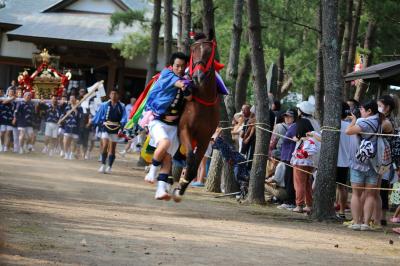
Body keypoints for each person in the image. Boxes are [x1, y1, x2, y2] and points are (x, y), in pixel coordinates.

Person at [144, 52, 192, 200]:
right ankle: (151, 171)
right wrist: (188, 83)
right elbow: (181, 85)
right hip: (157, 120)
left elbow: (189, 96)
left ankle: (160, 190)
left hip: (173, 125)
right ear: (172, 66)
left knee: (168, 159)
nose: (180, 69)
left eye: (183, 67)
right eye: (177, 66)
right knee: (165, 143)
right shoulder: (167, 74)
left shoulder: (184, 79)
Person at [346, 100, 392, 231]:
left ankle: (356, 222)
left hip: (358, 162)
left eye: (361, 109)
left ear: (369, 111)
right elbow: (389, 128)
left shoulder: (364, 123)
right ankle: (366, 223)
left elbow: (348, 131)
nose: (359, 112)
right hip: (374, 163)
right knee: (371, 195)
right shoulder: (381, 121)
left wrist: (354, 120)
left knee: (356, 194)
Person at [91, 89, 127, 173]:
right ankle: (103, 165)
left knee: (112, 149)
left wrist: (122, 126)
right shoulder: (104, 105)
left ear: (118, 95)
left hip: (116, 127)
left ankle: (109, 167)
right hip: (106, 126)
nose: (113, 95)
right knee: (105, 145)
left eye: (115, 94)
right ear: (109, 95)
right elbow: (99, 115)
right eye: (112, 94)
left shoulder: (121, 106)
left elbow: (124, 117)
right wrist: (93, 122)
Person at [377, 95, 397, 226]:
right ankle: (380, 216)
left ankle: (381, 216)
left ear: (387, 107)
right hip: (384, 158)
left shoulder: (388, 121)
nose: (377, 107)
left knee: (382, 186)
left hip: (386, 158)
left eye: (379, 105)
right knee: (381, 186)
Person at [290, 118, 316, 213]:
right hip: (308, 164)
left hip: (300, 164)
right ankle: (309, 205)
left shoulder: (305, 139)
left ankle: (299, 205)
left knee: (299, 184)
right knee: (307, 184)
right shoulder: (310, 138)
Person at [277, 110, 297, 210]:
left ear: (294, 118)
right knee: (287, 179)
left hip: (290, 157)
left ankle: (291, 202)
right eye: (285, 117)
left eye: (289, 117)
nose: (287, 118)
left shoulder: (294, 127)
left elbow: (295, 138)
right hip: (286, 156)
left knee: (289, 180)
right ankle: (290, 201)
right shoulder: (290, 127)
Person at [335, 102, 352, 219]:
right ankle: (342, 211)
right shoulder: (350, 127)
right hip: (345, 161)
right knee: (342, 187)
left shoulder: (333, 125)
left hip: (335, 161)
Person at [62, 94, 82, 160]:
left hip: (76, 127)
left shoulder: (79, 108)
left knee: (74, 142)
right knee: (66, 141)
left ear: (75, 99)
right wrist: (61, 119)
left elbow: (80, 117)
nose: (72, 100)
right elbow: (63, 116)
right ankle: (66, 153)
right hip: (68, 127)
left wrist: (75, 111)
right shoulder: (67, 107)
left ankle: (72, 154)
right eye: (70, 98)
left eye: (73, 98)